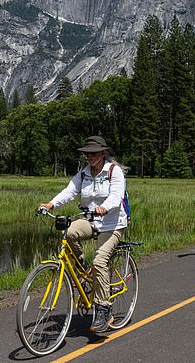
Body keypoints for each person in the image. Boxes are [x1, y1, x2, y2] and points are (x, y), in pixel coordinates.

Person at [38, 135, 127, 333]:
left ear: (104, 153)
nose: (89, 156)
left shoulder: (114, 171)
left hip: (113, 223)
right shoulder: (84, 173)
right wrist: (51, 204)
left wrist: (104, 207)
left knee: (100, 260)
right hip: (91, 221)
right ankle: (84, 269)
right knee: (68, 233)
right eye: (87, 153)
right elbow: (69, 192)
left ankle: (104, 309)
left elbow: (116, 195)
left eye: (93, 153)